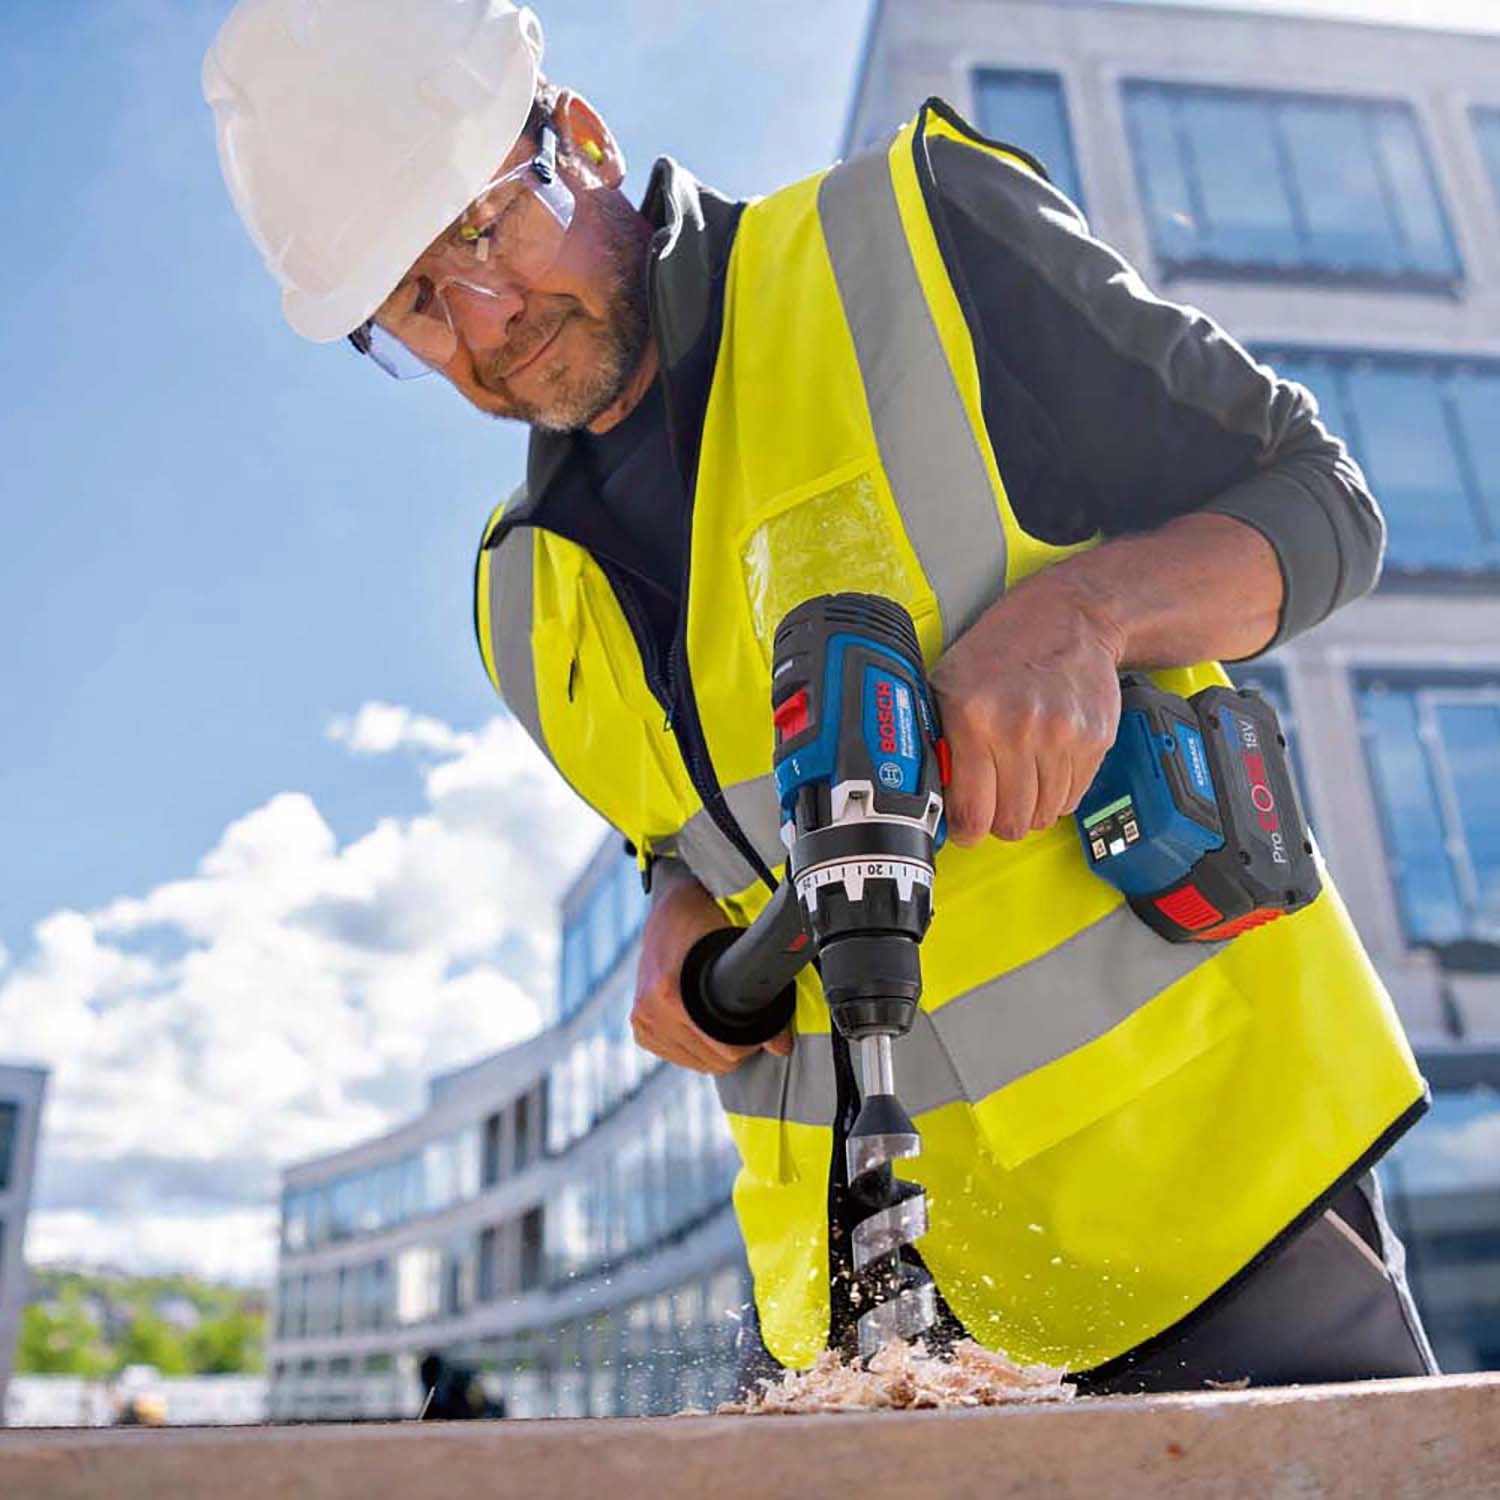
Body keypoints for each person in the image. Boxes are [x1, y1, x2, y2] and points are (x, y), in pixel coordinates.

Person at [205, 0, 1438, 1393]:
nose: (483, 319)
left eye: (483, 229)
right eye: (416, 301)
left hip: (1217, 1221)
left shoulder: (910, 247)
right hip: (864, 1317)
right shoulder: (516, 598)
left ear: (585, 141)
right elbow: (693, 833)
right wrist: (678, 915)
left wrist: (1085, 614)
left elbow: (1324, 506)